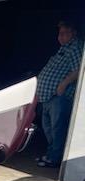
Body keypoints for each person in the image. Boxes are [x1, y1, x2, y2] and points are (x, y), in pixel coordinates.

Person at [36, 21, 83, 168]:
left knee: (57, 128)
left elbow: (78, 71)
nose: (60, 37)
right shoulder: (64, 48)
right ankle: (51, 155)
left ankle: (55, 158)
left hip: (59, 97)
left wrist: (63, 85)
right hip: (48, 96)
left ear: (73, 33)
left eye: (64, 33)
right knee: (48, 127)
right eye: (59, 33)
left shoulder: (75, 47)